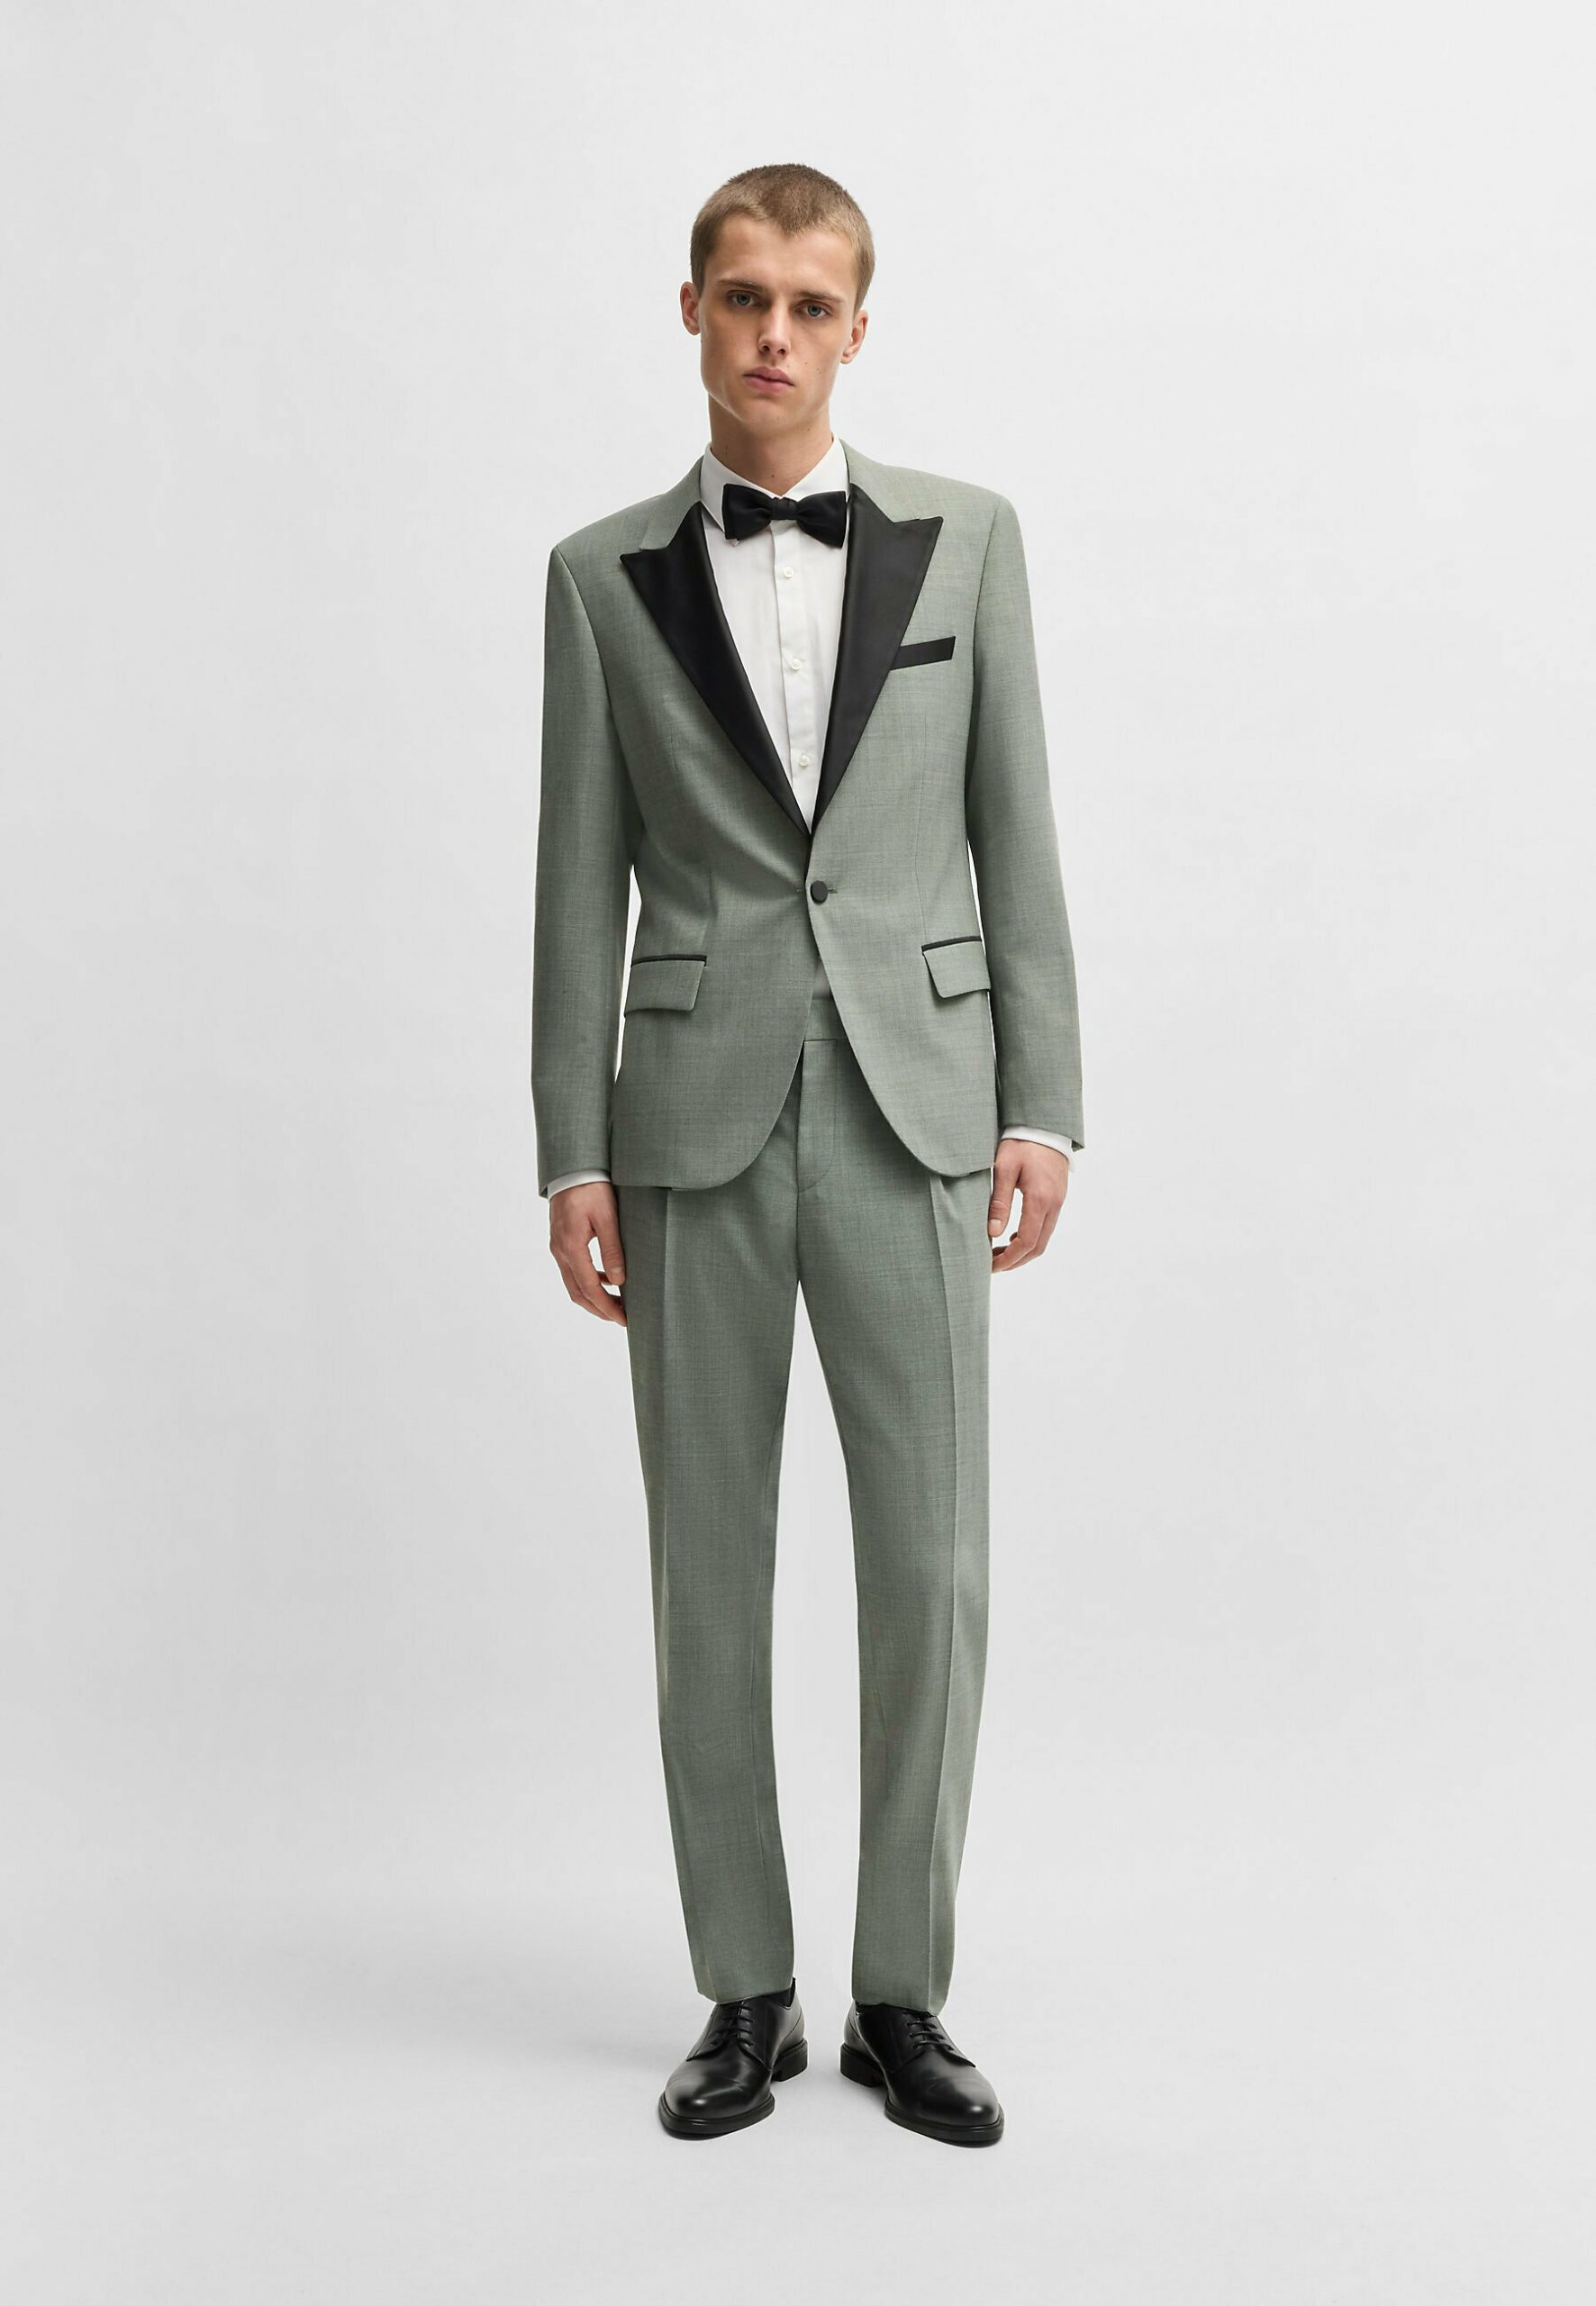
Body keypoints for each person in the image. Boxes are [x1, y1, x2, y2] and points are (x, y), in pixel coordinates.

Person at [530, 162, 1084, 2147]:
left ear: (857, 326)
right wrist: (569, 1149)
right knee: (708, 1567)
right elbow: (573, 879)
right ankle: (744, 1987)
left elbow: (1016, 833)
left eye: (810, 304)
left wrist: (1041, 1100)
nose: (774, 334)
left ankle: (902, 1992)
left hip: (917, 1101)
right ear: (690, 308)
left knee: (930, 1562)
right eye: (744, 296)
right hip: (686, 1123)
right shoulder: (597, 575)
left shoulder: (969, 541)